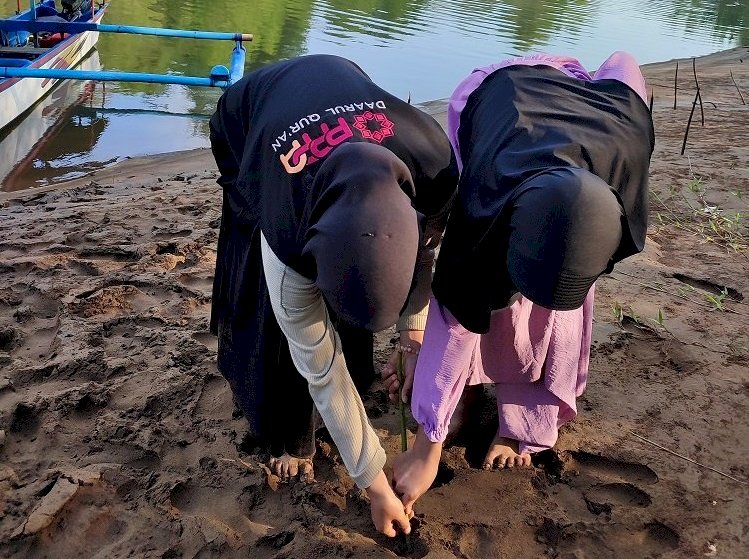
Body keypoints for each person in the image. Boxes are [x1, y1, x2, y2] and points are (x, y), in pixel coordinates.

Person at [383, 52, 655, 513]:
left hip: (581, 156)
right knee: (480, 304)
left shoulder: (627, 155)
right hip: (496, 99)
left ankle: (524, 422)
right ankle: (463, 396)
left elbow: (623, 63)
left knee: (558, 313)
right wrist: (425, 448)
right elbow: (452, 326)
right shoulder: (483, 204)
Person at [208, 54, 458, 537]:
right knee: (268, 301)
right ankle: (281, 418)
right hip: (248, 121)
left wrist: (412, 336)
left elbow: (425, 252)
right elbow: (322, 370)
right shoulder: (284, 224)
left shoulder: (434, 163)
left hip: (346, 80)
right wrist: (375, 485)